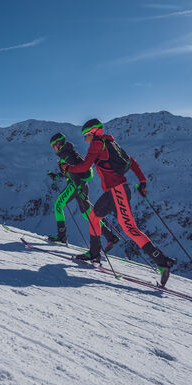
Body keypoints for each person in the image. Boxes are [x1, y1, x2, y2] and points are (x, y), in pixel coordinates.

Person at [62, 119, 177, 286]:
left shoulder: (97, 144)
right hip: (113, 192)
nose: (85, 139)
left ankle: (163, 262)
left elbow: (85, 166)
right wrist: (142, 181)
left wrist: (68, 168)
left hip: (118, 192)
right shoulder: (110, 143)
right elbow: (131, 161)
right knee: (93, 217)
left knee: (130, 229)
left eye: (86, 135)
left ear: (93, 133)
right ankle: (94, 254)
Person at [47, 133, 120, 251]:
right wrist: (57, 175)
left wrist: (77, 187)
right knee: (87, 214)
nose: (54, 149)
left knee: (58, 205)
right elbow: (71, 171)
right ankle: (110, 237)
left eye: (54, 146)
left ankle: (61, 237)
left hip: (75, 185)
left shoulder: (67, 155)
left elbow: (75, 172)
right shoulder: (69, 154)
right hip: (82, 185)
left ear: (58, 144)